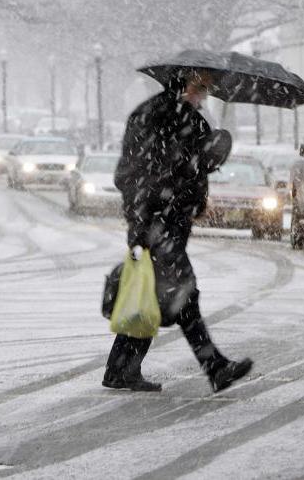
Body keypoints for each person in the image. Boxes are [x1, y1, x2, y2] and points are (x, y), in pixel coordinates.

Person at [103, 70, 252, 393]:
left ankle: (120, 369)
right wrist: (141, 226)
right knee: (185, 294)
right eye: (200, 86)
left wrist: (215, 150)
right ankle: (215, 366)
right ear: (182, 83)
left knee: (153, 295)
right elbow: (130, 175)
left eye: (207, 88)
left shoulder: (190, 119)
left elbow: (197, 164)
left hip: (172, 221)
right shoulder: (152, 116)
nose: (205, 93)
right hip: (157, 223)